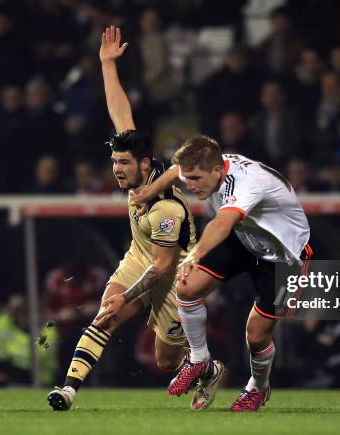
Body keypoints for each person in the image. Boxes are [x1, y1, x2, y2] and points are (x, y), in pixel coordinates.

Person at [47, 26, 209, 411]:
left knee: (165, 360)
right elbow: (119, 111)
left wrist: (128, 298)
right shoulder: (136, 162)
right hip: (140, 255)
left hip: (174, 274)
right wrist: (106, 65)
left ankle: (207, 366)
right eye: (115, 162)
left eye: (124, 163)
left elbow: (161, 268)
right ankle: (68, 390)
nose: (117, 170)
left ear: (145, 165)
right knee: (106, 314)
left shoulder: (167, 207)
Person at [132, 137, 312, 412]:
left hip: (283, 254)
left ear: (217, 171)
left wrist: (194, 256)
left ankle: (258, 388)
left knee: (256, 335)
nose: (189, 185)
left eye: (194, 179)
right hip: (246, 237)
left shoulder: (247, 183)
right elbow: (175, 171)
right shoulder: (208, 163)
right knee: (187, 287)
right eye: (187, 178)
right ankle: (199, 359)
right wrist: (148, 192)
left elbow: (223, 223)